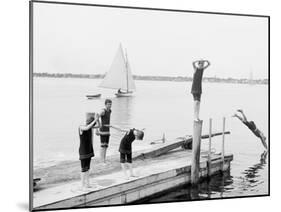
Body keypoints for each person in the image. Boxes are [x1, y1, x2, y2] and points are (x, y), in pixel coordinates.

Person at [78, 112, 100, 189]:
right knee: (83, 169)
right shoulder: (81, 127)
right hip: (83, 151)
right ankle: (82, 185)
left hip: (89, 150)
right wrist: (95, 120)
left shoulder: (90, 127)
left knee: (87, 169)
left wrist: (98, 119)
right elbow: (87, 128)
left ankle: (87, 184)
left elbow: (99, 126)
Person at [97, 99, 112, 163]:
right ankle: (102, 160)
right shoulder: (103, 111)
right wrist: (98, 127)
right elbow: (96, 116)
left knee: (106, 146)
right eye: (108, 104)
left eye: (110, 104)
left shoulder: (110, 111)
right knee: (102, 146)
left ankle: (104, 160)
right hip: (102, 130)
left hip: (107, 131)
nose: (110, 105)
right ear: (105, 104)